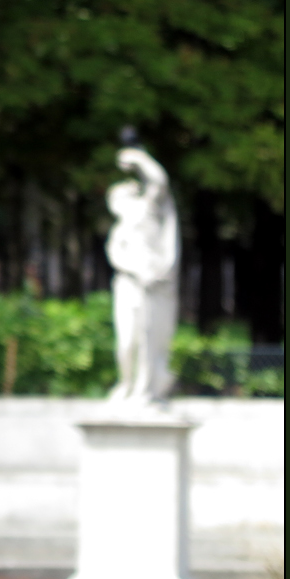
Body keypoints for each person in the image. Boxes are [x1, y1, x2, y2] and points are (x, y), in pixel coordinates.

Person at [105, 136, 181, 405]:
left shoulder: (147, 209)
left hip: (151, 284)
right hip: (129, 284)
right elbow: (115, 256)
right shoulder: (119, 230)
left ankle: (144, 390)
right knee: (126, 342)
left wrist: (139, 159)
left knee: (148, 342)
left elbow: (160, 181)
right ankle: (126, 383)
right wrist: (135, 273)